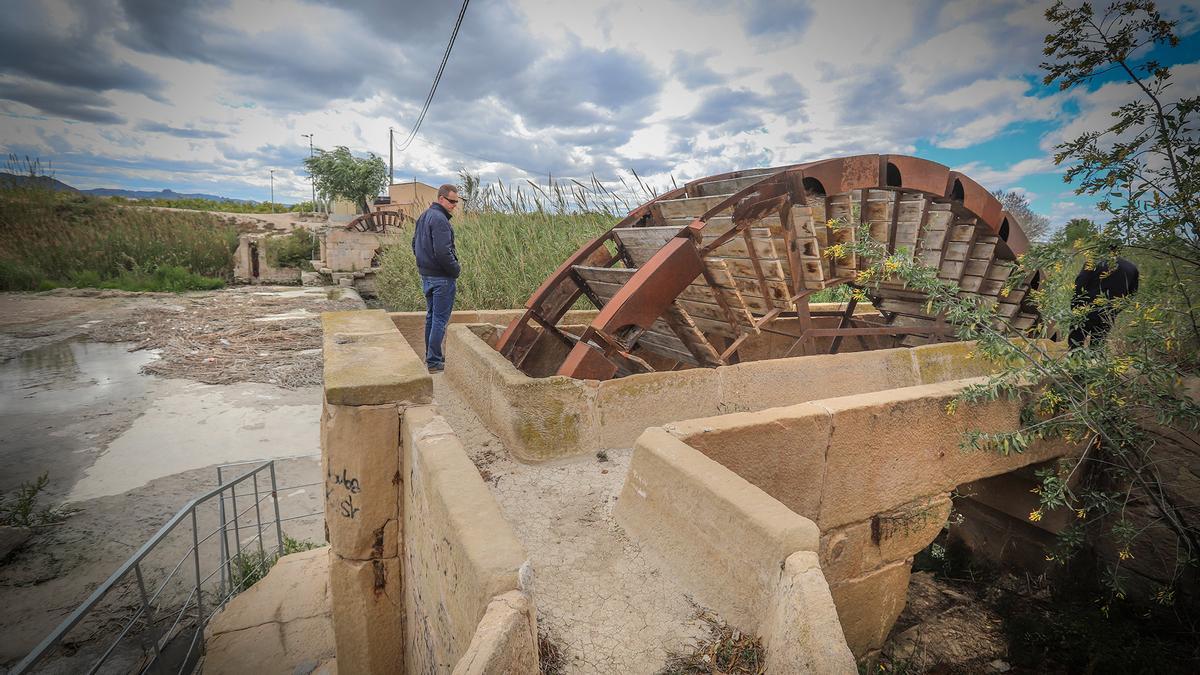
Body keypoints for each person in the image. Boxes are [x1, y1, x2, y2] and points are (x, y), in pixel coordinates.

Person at [412, 184, 462, 372]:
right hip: (442, 278)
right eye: (451, 201)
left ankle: (432, 357)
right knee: (439, 319)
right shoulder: (440, 219)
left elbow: (414, 244)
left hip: (427, 275)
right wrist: (455, 270)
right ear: (441, 199)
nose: (454, 205)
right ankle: (434, 361)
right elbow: (443, 252)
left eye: (456, 202)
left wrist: (423, 264)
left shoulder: (424, 216)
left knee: (432, 318)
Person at [1069, 255, 1138, 349]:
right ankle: (1094, 362)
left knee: (1075, 346)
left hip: (1084, 310)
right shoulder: (1131, 268)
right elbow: (1132, 294)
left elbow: (1079, 285)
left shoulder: (1092, 263)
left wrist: (1075, 307)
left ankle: (1075, 362)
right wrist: (1116, 309)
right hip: (1108, 314)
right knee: (1097, 348)